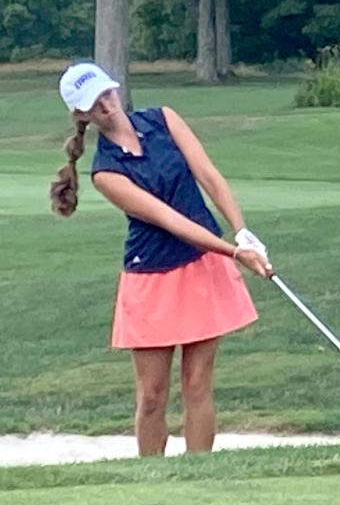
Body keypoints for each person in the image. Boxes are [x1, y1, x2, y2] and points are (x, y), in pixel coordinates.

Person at [50, 61, 273, 457]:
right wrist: (236, 253)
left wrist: (242, 231)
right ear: (81, 114)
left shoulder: (163, 119)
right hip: (151, 276)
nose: (106, 104)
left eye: (106, 93)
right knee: (152, 394)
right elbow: (171, 221)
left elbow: (209, 175)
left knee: (198, 383)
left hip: (203, 266)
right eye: (93, 102)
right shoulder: (106, 172)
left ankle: (200, 476)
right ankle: (152, 480)